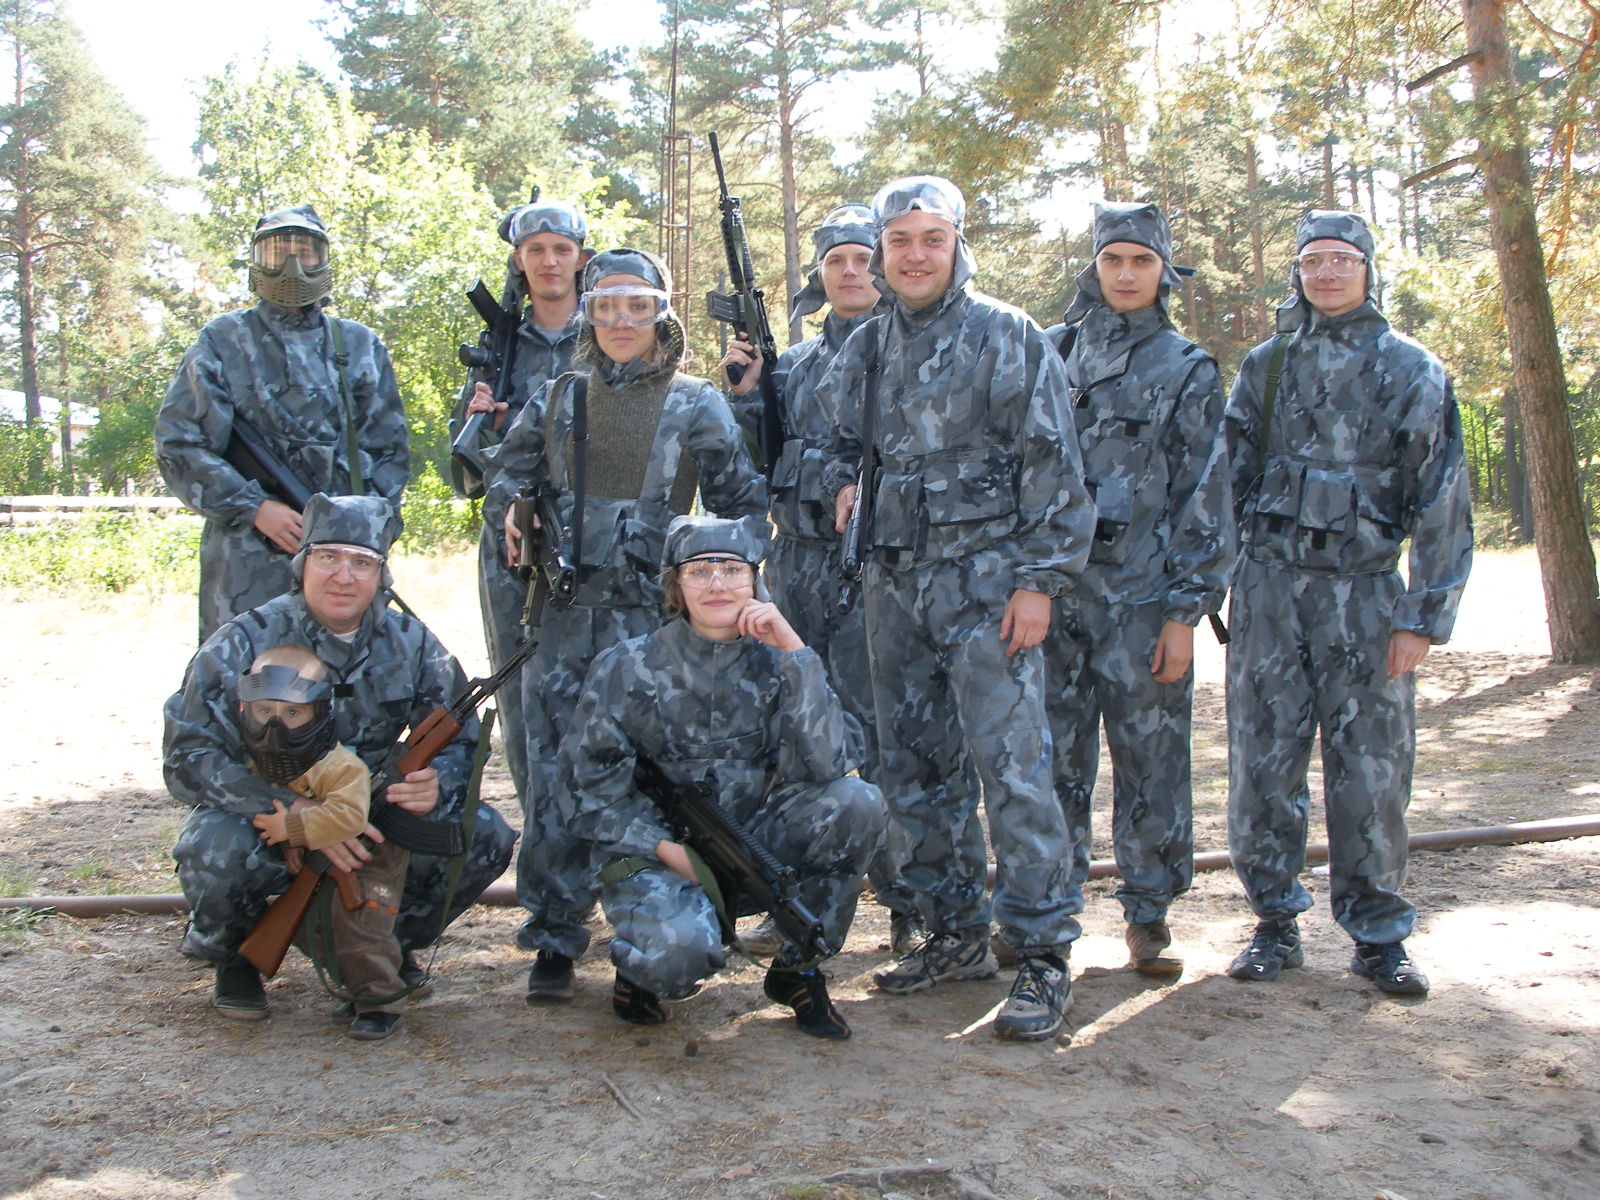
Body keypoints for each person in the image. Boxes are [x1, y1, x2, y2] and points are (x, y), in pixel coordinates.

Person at [814, 176, 1096, 1041]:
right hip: (895, 587)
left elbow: (1053, 464)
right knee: (915, 771)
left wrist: (1039, 583)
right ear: (882, 250)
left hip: (991, 589)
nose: (915, 255)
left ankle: (1042, 951)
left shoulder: (1007, 334)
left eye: (931, 238)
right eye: (899, 240)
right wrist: (841, 485)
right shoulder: (865, 346)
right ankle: (954, 932)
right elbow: (836, 441)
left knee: (1014, 770)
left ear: (957, 242)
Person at [487, 248, 768, 1001]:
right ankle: (555, 932)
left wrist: (718, 586)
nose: (620, 321)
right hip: (564, 618)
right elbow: (507, 473)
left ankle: (653, 929)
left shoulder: (695, 402)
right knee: (556, 771)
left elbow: (743, 506)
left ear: (662, 315)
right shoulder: (558, 396)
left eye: (637, 306)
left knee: (658, 778)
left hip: (655, 629)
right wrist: (514, 510)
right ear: (587, 315)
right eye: (605, 306)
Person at [1223, 209, 1472, 997]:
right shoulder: (1267, 367)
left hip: (1365, 596)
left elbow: (1442, 497)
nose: (1326, 274)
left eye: (1341, 260)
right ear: (1296, 274)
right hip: (1268, 592)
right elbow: (1224, 484)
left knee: (1372, 770)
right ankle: (1274, 921)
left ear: (1367, 269)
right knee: (1263, 765)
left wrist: (1422, 617)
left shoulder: (1412, 369)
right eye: (1312, 262)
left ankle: (1378, 934)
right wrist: (1206, 586)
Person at [165, 493, 517, 1025]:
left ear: (381, 575)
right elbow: (188, 756)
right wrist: (294, 812)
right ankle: (236, 955)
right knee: (215, 846)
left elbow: (461, 737)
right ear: (302, 563)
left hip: (372, 814)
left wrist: (436, 783)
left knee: (483, 834)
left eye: (361, 562)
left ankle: (386, 945)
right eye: (328, 557)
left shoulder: (413, 644)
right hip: (272, 813)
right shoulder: (244, 641)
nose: (343, 576)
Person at [558, 515, 885, 1037]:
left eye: (732, 569)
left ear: (755, 581)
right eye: (698, 570)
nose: (716, 583)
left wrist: (796, 653)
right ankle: (642, 969)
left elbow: (828, 764)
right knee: (679, 958)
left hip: (749, 845)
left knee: (858, 802)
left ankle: (797, 969)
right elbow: (582, 792)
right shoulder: (626, 667)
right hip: (654, 856)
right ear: (675, 584)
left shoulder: (780, 662)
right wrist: (665, 849)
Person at [719, 203, 924, 955]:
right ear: (819, 275)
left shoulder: (911, 352)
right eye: (836, 260)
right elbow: (752, 464)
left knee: (892, 735)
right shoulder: (793, 366)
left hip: (882, 568)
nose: (851, 271)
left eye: (863, 258)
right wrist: (745, 394)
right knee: (800, 735)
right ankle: (798, 902)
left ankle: (910, 899)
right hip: (799, 566)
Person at [1042, 201, 1234, 977]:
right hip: (1052, 597)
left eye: (1141, 261)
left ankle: (1149, 913)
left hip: (1143, 602)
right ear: (1094, 267)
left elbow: (1206, 497)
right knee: (1049, 760)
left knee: (1151, 759)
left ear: (1163, 272)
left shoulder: (1186, 368)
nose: (1125, 274)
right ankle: (1046, 911)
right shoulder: (1049, 353)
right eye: (1113, 259)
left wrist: (1186, 611)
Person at [156, 204, 409, 643]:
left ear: (324, 260)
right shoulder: (223, 340)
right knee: (247, 674)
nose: (293, 265)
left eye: (306, 252)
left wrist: (362, 541)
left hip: (342, 565)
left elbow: (389, 455)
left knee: (352, 674)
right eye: (278, 252)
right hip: (247, 561)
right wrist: (254, 508)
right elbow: (179, 445)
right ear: (257, 262)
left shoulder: (358, 345)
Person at [449, 200, 590, 816]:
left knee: (598, 689)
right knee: (518, 690)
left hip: (589, 534)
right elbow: (463, 475)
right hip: (511, 543)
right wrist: (483, 423)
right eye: (536, 250)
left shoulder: (609, 331)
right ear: (519, 260)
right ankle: (541, 833)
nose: (549, 261)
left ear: (581, 258)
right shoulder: (497, 348)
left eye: (561, 249)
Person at [238, 643, 410, 1040]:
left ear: (318, 711)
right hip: (315, 859)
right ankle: (355, 987)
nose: (276, 725)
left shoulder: (340, 765)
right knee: (310, 926)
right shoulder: (256, 757)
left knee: (360, 929)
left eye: (292, 713)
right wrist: (295, 841)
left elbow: (349, 817)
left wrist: (292, 829)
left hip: (364, 858)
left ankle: (380, 1002)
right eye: (265, 711)